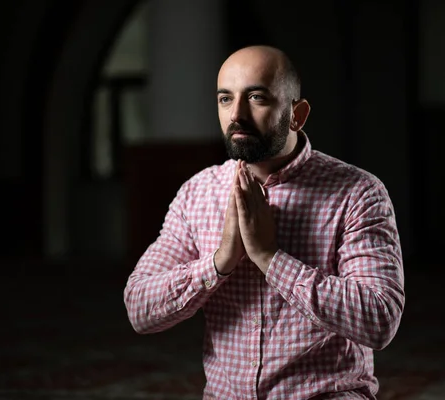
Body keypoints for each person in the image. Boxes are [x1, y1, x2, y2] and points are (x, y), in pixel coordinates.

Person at [123, 45, 405, 400]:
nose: (237, 114)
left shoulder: (357, 192)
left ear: (296, 115)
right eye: (225, 99)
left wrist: (270, 258)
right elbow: (139, 308)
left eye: (256, 97)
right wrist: (220, 262)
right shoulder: (198, 193)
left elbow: (380, 319)